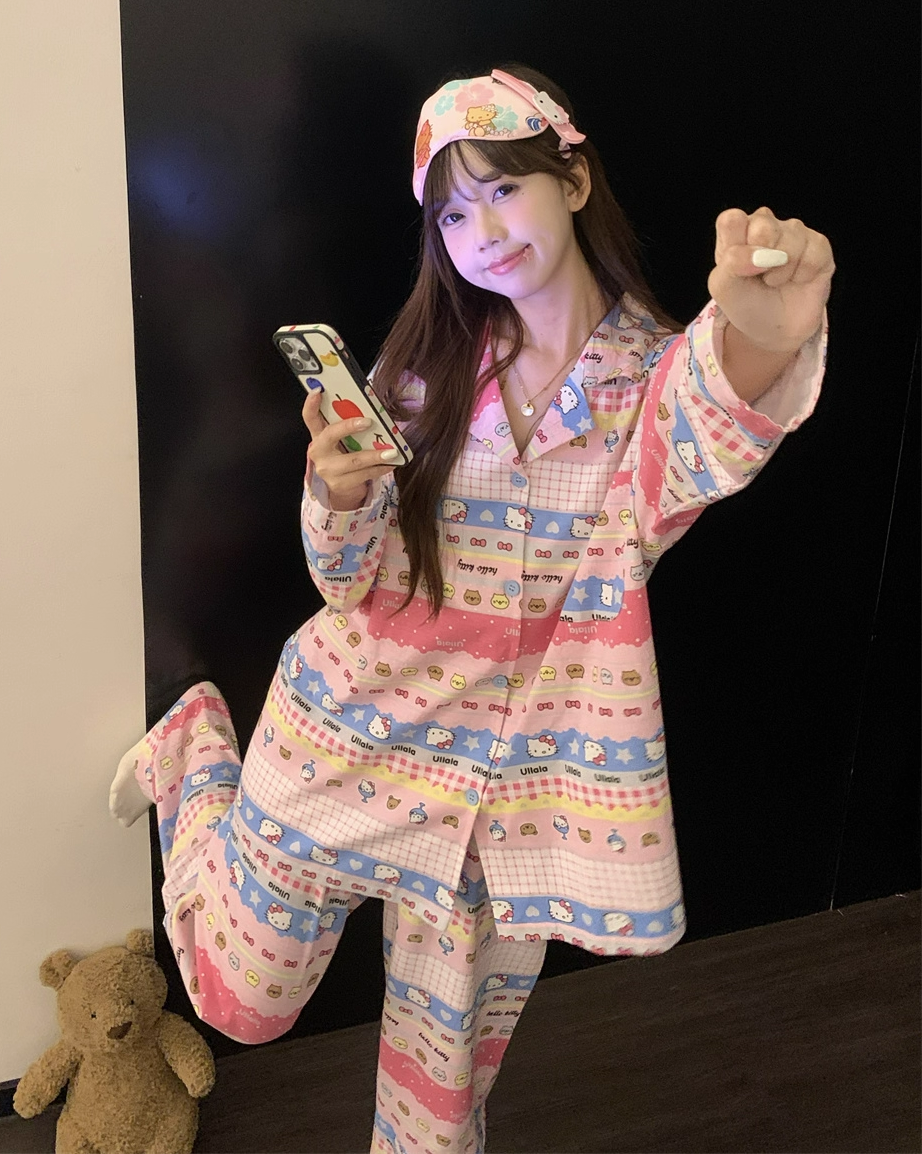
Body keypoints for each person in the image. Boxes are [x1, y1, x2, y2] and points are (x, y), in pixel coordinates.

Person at [110, 64, 833, 1154]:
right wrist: (337, 491)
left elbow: (703, 429)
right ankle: (194, 746)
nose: (482, 232)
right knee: (237, 1001)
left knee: (437, 1102)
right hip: (345, 734)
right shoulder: (423, 371)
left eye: (502, 190)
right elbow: (344, 579)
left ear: (572, 180)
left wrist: (761, 337)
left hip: (503, 799)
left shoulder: (650, 377)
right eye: (452, 214)